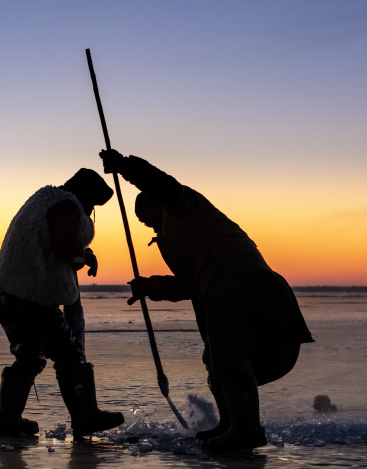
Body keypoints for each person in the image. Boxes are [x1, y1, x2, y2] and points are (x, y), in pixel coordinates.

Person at [100, 150, 313, 453]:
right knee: (217, 360)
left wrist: (125, 166)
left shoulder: (182, 207)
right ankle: (231, 425)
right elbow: (194, 283)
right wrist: (152, 286)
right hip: (226, 291)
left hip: (244, 286)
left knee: (228, 359)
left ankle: (246, 430)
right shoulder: (182, 235)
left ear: (158, 204)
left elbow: (163, 185)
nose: (151, 228)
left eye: (149, 220)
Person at [0, 168, 125, 438]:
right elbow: (64, 246)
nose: (90, 211)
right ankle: (85, 417)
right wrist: (83, 255)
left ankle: (8, 421)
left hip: (8, 296)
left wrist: (82, 253)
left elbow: (52, 243)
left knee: (29, 357)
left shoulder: (43, 200)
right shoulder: (65, 206)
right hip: (31, 299)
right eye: (92, 205)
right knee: (69, 354)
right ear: (84, 197)